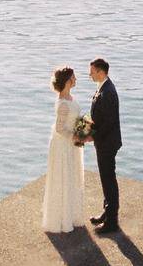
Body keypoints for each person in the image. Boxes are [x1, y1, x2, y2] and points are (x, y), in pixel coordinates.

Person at [41, 66, 85, 233]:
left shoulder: (69, 97)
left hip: (69, 144)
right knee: (63, 176)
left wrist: (82, 129)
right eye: (73, 77)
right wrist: (76, 136)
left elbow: (71, 121)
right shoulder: (63, 104)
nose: (75, 79)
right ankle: (61, 218)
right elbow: (60, 129)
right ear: (67, 81)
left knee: (71, 175)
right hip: (63, 145)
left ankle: (70, 214)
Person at [87, 58, 122, 233]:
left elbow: (107, 123)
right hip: (106, 141)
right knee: (106, 178)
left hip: (107, 142)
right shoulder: (104, 87)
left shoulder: (108, 92)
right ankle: (107, 212)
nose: (90, 74)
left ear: (101, 71)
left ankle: (112, 222)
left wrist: (91, 137)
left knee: (108, 179)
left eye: (92, 71)